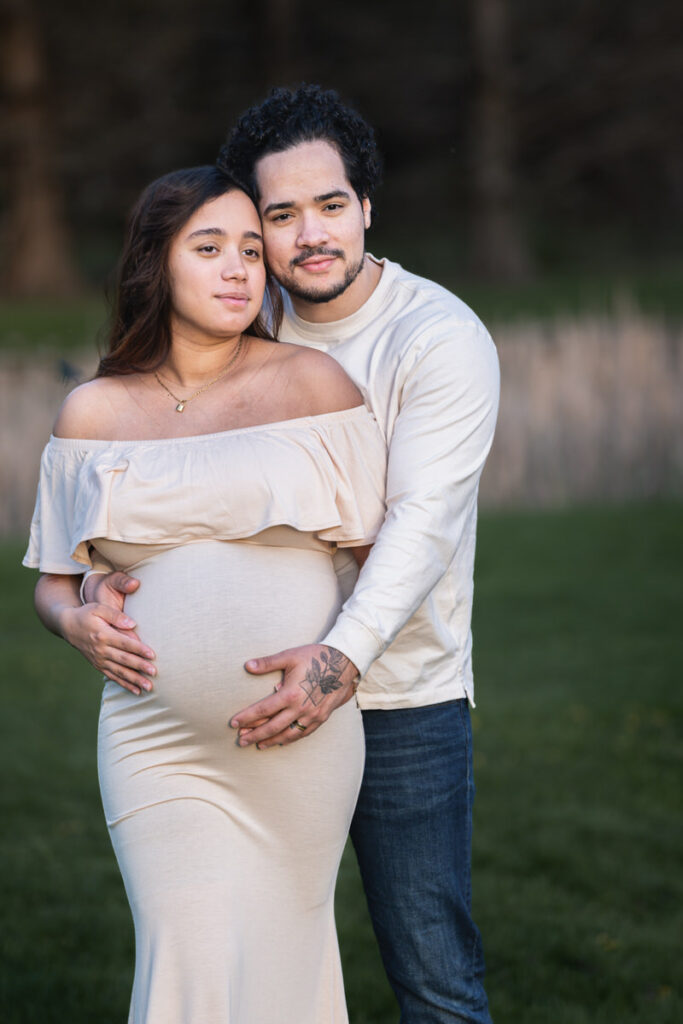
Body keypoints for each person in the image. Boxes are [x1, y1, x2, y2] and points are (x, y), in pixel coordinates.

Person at [54, 85, 500, 1023]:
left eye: (330, 206)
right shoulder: (246, 320)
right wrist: (97, 579)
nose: (306, 238)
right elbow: (165, 486)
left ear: (366, 206)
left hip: (398, 692)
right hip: (198, 726)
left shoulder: (437, 337)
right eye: (276, 219)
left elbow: (416, 526)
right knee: (211, 959)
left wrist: (336, 662)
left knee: (427, 972)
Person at [23, 165, 387, 1024]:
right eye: (210, 247)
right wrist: (74, 622)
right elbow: (52, 584)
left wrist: (340, 668)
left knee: (285, 967)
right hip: (154, 738)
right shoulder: (92, 412)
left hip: (296, 735)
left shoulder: (313, 388)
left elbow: (382, 566)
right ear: (156, 263)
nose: (238, 269)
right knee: (185, 965)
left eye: (253, 252)